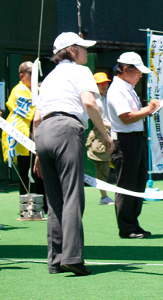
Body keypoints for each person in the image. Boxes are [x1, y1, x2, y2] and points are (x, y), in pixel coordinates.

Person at [33, 31, 114, 276]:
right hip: (67, 129)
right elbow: (89, 102)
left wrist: (38, 152)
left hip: (43, 133)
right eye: (82, 47)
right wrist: (105, 134)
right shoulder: (81, 71)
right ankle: (73, 257)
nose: (86, 52)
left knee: (54, 200)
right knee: (72, 195)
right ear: (71, 49)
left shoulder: (47, 78)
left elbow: (36, 119)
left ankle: (55, 261)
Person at [107, 52, 160, 239]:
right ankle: (126, 227)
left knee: (138, 183)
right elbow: (126, 117)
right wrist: (147, 110)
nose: (140, 75)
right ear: (126, 70)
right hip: (125, 141)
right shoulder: (117, 89)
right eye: (138, 72)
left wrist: (147, 110)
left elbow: (132, 116)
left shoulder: (127, 87)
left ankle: (133, 224)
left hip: (135, 139)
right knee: (127, 185)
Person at [2, 61, 47, 213]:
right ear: (22, 76)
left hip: (37, 133)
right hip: (22, 136)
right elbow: (33, 113)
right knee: (27, 171)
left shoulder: (38, 89)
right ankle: (29, 208)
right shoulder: (18, 91)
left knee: (41, 172)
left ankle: (44, 205)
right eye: (30, 74)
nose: (34, 77)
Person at [85, 72, 114, 205]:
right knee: (102, 167)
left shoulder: (108, 97)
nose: (104, 85)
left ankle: (126, 194)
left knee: (121, 164)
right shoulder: (93, 99)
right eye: (100, 83)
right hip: (100, 134)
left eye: (105, 82)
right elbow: (96, 119)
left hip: (114, 132)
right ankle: (104, 197)